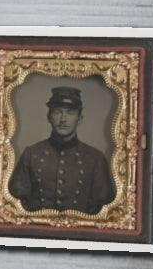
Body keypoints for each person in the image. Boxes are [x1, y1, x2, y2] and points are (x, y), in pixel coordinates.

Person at [8, 85, 115, 214]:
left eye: (70, 113)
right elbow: (15, 203)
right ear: (49, 116)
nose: (63, 119)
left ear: (79, 118)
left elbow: (103, 208)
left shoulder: (95, 158)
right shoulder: (31, 154)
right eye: (57, 112)